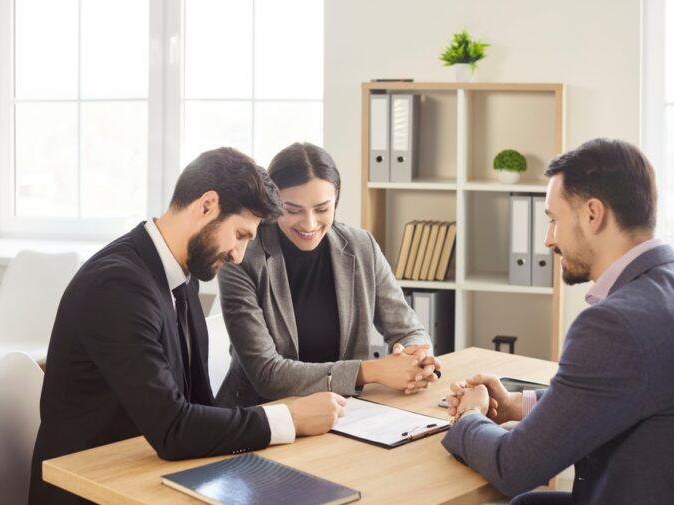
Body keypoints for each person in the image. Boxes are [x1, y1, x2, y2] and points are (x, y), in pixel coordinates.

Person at [29, 148, 347, 505]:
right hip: (92, 489)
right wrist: (290, 418)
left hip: (151, 474)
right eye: (240, 234)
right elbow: (173, 428)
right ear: (207, 205)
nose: (239, 255)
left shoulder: (181, 277)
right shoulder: (117, 287)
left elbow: (197, 404)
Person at [442, 138, 674, 505]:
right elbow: (612, 393)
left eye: (554, 220)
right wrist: (513, 405)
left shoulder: (614, 325)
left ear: (593, 214)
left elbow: (514, 467)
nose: (547, 240)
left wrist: (468, 417)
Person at [216, 142, 441, 408]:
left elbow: (408, 329)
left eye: (322, 209)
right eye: (293, 210)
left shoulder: (361, 247)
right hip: (262, 415)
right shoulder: (241, 256)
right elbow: (268, 375)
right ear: (273, 206)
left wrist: (417, 358)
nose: (310, 224)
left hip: (342, 412)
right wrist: (373, 371)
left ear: (336, 202)